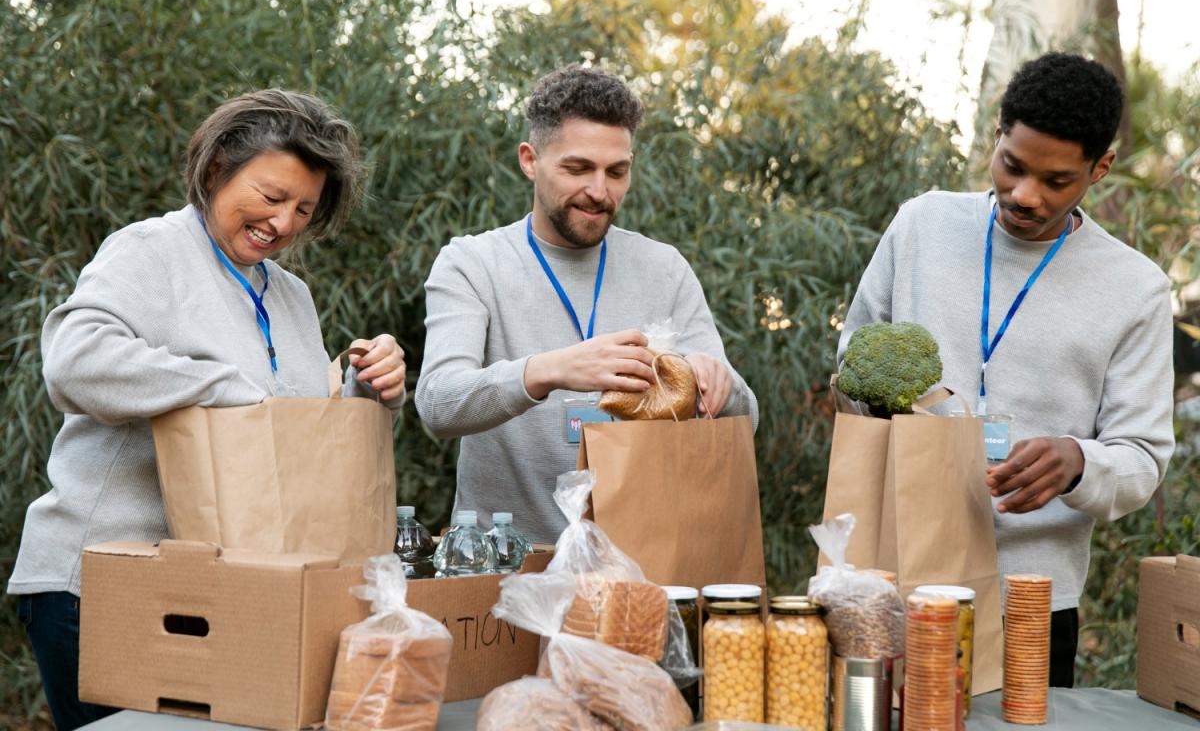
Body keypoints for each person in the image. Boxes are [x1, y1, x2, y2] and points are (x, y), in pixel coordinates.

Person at [8, 89, 407, 729]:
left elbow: (284, 430)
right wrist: (218, 384)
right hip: (101, 585)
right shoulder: (152, 250)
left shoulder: (292, 296)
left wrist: (367, 385)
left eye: (304, 209)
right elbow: (74, 361)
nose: (283, 224)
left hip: (220, 593)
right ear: (218, 167)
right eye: (272, 197)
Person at [838, 52, 1175, 686]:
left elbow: (1143, 458)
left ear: (1099, 168)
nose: (1025, 194)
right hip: (891, 571)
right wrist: (894, 401)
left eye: (1056, 181)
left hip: (1033, 600)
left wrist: (1078, 460)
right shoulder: (922, 225)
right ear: (997, 134)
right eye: (1012, 166)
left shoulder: (1137, 289)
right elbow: (854, 355)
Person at [415, 65, 758, 543]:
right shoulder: (472, 263)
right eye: (578, 169)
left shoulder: (665, 268)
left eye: (617, 172)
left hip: (640, 564)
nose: (600, 191)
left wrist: (721, 383)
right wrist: (552, 370)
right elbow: (438, 402)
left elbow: (744, 420)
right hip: (508, 572)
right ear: (530, 160)